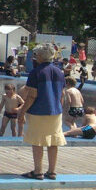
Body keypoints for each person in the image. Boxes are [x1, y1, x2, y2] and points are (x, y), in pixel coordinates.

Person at [17, 43, 66, 180]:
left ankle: (38, 171)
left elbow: (32, 96)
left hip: (39, 111)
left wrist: (22, 112)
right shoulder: (59, 72)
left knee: (38, 141)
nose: (35, 57)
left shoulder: (36, 72)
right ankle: (52, 171)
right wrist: (59, 107)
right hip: (56, 111)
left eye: (36, 55)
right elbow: (62, 95)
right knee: (53, 141)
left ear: (40, 56)